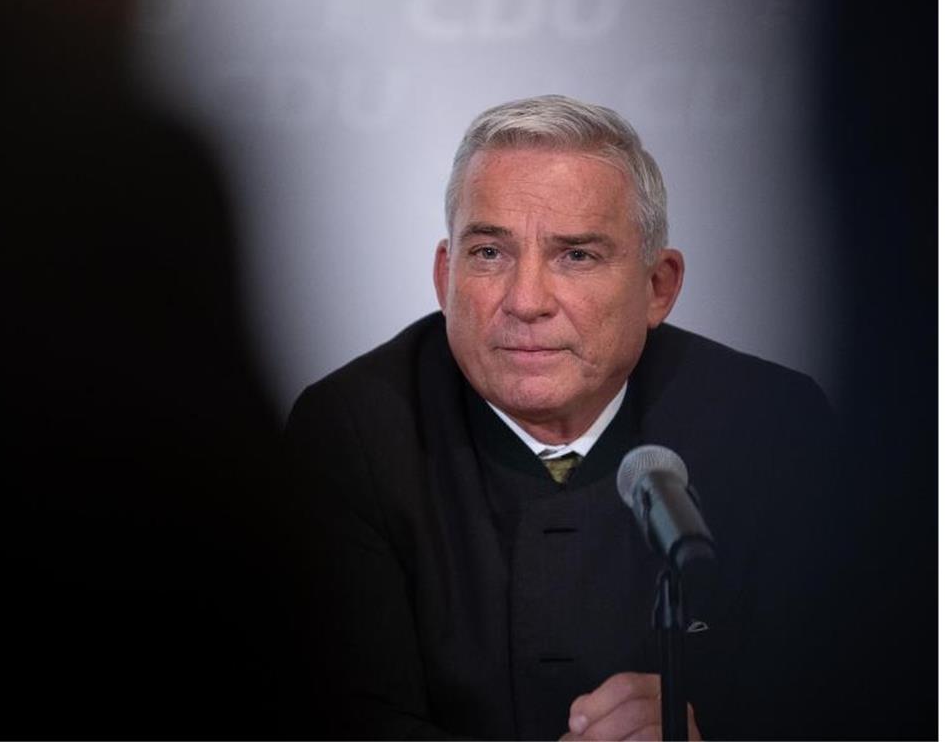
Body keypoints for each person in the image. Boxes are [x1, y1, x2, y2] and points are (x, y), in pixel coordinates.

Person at [283, 95, 845, 740]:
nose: (525, 301)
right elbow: (340, 715)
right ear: (444, 278)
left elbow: (846, 692)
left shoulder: (772, 427)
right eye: (490, 253)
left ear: (658, 287)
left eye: (575, 255)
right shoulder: (353, 431)